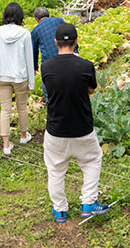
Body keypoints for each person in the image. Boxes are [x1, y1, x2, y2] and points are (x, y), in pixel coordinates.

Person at [41, 23, 109, 223]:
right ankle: (88, 202)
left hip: (55, 129)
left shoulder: (46, 66)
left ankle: (60, 210)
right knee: (92, 161)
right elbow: (91, 89)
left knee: (55, 170)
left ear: (56, 43)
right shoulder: (86, 66)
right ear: (76, 41)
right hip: (82, 128)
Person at [0, 2, 35, 155]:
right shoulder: (24, 33)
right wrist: (31, 82)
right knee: (22, 106)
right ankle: (23, 135)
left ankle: (6, 144)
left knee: (5, 109)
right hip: (20, 76)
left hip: (1, 75)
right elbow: (29, 58)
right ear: (20, 16)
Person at [30, 7, 73, 104]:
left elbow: (34, 51)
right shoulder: (59, 20)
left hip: (49, 63)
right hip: (66, 56)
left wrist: (34, 67)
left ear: (37, 19)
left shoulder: (35, 30)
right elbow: (70, 33)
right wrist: (75, 50)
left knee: (47, 87)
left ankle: (51, 108)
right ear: (48, 15)